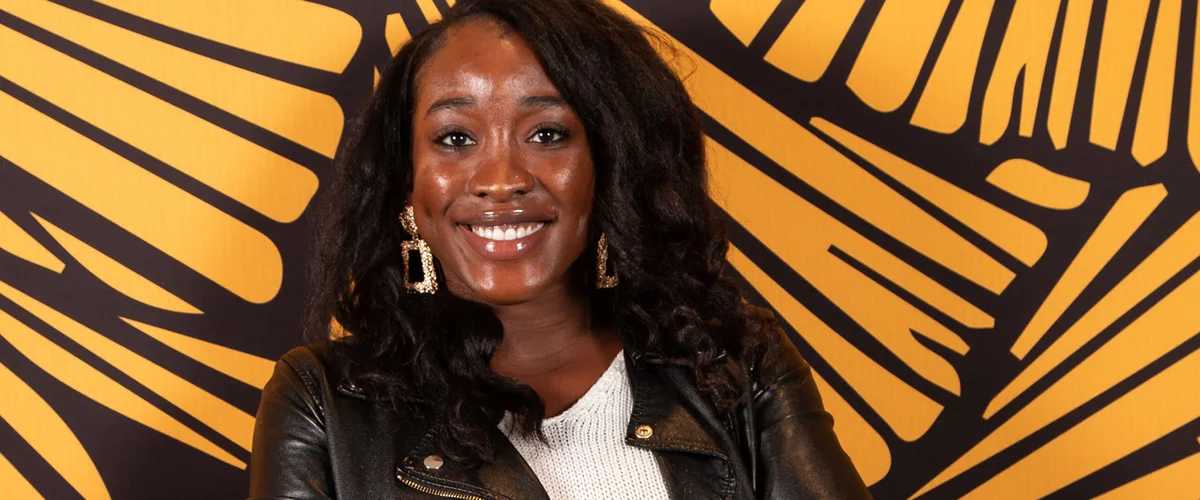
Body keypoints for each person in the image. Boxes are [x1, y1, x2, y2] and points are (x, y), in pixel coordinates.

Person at [247, 0, 870, 498]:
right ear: (408, 184)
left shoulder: (736, 364)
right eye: (455, 138)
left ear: (611, 167)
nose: (500, 177)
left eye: (547, 133)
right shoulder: (326, 404)